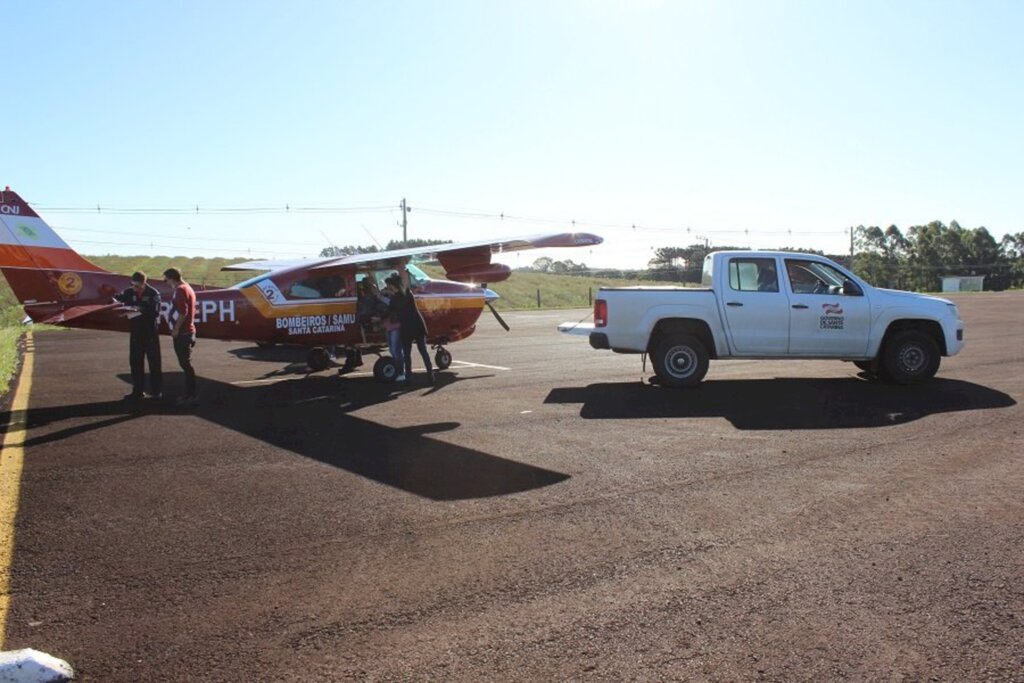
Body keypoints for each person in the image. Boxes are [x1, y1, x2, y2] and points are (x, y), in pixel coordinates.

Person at [113, 271, 162, 400]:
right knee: (135, 362)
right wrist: (114, 302)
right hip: (136, 332)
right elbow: (116, 298)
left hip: (150, 332)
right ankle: (138, 391)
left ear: (144, 283)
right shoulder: (129, 292)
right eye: (133, 285)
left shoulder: (153, 293)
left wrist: (139, 309)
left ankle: (156, 392)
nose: (135, 288)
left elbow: (155, 312)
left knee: (154, 363)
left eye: (137, 286)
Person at [163, 267, 198, 406]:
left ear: (172, 278)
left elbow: (183, 312)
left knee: (186, 365)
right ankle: (190, 394)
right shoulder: (187, 287)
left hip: (183, 334)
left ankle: (192, 395)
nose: (165, 282)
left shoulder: (180, 290)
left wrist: (176, 329)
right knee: (186, 364)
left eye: (166, 279)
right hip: (187, 332)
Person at [396, 268, 434, 385]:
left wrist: (402, 270)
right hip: (414, 326)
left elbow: (390, 310)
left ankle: (413, 376)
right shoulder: (403, 295)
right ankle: (426, 375)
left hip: (412, 327)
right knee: (420, 351)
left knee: (413, 352)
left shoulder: (404, 294)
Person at [382, 275, 406, 382]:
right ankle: (400, 370)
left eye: (389, 286)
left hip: (396, 325)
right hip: (391, 325)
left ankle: (401, 372)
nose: (387, 288)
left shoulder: (399, 297)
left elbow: (392, 308)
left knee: (396, 350)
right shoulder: (392, 297)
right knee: (393, 349)